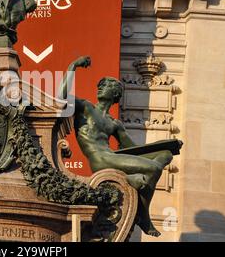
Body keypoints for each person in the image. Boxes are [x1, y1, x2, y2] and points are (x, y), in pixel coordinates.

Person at [59, 56, 176, 237]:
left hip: (112, 156)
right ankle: (143, 215)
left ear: (115, 94)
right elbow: (61, 97)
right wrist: (72, 66)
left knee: (165, 155)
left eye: (105, 85)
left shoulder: (115, 124)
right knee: (152, 169)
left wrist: (163, 145)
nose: (100, 87)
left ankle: (135, 181)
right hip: (100, 159)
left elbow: (136, 151)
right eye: (100, 85)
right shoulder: (85, 108)